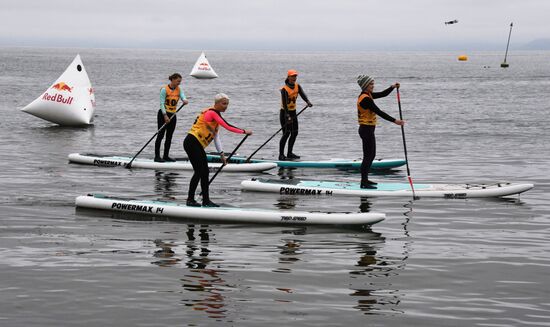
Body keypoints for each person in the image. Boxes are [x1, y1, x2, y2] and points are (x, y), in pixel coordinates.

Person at [184, 93, 252, 207]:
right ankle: (190, 200)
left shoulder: (216, 118)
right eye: (224, 103)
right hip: (192, 142)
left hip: (196, 144)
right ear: (216, 103)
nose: (226, 106)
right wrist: (244, 131)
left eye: (227, 104)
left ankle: (206, 201)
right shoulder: (212, 113)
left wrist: (221, 155)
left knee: (204, 173)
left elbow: (216, 137)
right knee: (199, 171)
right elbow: (228, 126)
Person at [356, 75, 405, 189]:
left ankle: (365, 180)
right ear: (365, 86)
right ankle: (363, 182)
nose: (373, 86)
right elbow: (378, 111)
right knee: (368, 156)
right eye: (371, 84)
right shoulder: (365, 98)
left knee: (371, 155)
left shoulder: (368, 95)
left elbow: (383, 94)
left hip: (368, 129)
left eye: (373, 84)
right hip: (366, 129)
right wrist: (395, 121)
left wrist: (392, 87)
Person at [279, 69, 313, 161]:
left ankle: (289, 153)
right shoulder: (284, 89)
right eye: (292, 76)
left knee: (295, 133)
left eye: (295, 76)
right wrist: (288, 116)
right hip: (285, 113)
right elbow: (285, 104)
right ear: (288, 77)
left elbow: (302, 94)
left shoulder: (297, 86)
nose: (294, 78)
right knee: (286, 133)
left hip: (293, 112)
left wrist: (307, 101)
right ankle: (281, 155)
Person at [155, 73, 189, 162]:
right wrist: (165, 115)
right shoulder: (164, 90)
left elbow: (182, 96)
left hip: (173, 115)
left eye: (180, 81)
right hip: (163, 114)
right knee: (160, 135)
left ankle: (166, 156)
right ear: (173, 80)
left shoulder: (179, 89)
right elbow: (161, 103)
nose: (179, 83)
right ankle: (157, 157)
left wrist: (185, 100)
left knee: (169, 136)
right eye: (178, 81)